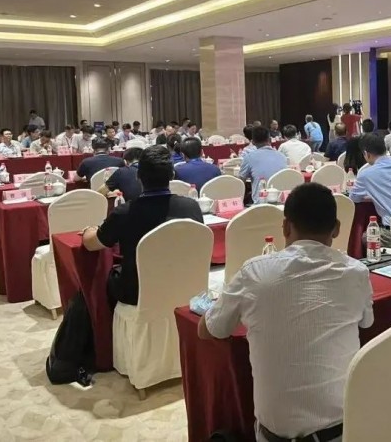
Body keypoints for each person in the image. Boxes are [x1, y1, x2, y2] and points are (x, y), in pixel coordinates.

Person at [200, 183, 372, 442]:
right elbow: (367, 322)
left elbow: (209, 330)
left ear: (285, 227)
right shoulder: (356, 272)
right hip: (345, 430)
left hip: (277, 435)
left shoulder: (255, 272)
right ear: (336, 228)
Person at [82, 145, 203, 307]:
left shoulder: (125, 212)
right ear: (172, 175)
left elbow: (91, 244)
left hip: (137, 292)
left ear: (138, 176)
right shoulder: (191, 206)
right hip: (184, 285)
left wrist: (89, 230)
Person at [349, 133, 391, 247]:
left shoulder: (366, 174)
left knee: (367, 236)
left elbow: (354, 198)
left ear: (366, 154)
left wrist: (373, 195)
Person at [239, 126, 288, 203]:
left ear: (253, 142)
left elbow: (241, 182)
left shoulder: (249, 157)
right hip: (282, 202)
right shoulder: (282, 157)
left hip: (261, 204)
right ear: (270, 140)